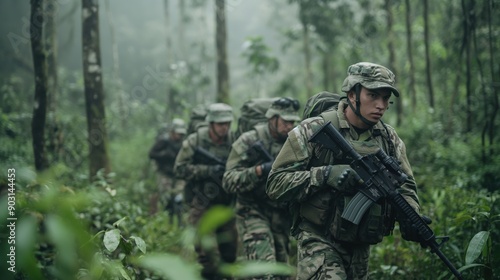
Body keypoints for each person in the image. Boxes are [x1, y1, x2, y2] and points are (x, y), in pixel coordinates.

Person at [266, 62, 421, 280]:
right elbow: (275, 183)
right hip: (318, 239)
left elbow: (405, 184)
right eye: (373, 95)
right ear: (352, 95)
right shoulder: (312, 130)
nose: (380, 105)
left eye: (386, 98)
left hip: (360, 244)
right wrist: (325, 175)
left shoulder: (388, 138)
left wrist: (411, 214)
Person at [222, 97, 301, 279]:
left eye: (292, 121)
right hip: (252, 211)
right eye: (285, 121)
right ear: (272, 118)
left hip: (280, 216)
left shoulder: (294, 143)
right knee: (263, 270)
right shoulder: (249, 140)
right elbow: (228, 180)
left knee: (282, 272)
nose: (289, 126)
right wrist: (258, 171)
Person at [174, 103, 237, 280]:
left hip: (225, 202)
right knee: (206, 254)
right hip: (201, 202)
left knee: (230, 252)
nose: (224, 128)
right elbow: (179, 169)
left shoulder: (234, 140)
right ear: (210, 124)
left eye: (227, 123)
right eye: (220, 124)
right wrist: (207, 171)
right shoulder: (195, 141)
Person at [148, 118, 187, 220]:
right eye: (177, 133)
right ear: (172, 132)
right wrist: (164, 155)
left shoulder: (183, 142)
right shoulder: (164, 141)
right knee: (167, 198)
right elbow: (152, 154)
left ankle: (179, 220)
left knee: (179, 198)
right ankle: (168, 217)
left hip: (178, 174)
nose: (179, 136)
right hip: (165, 174)